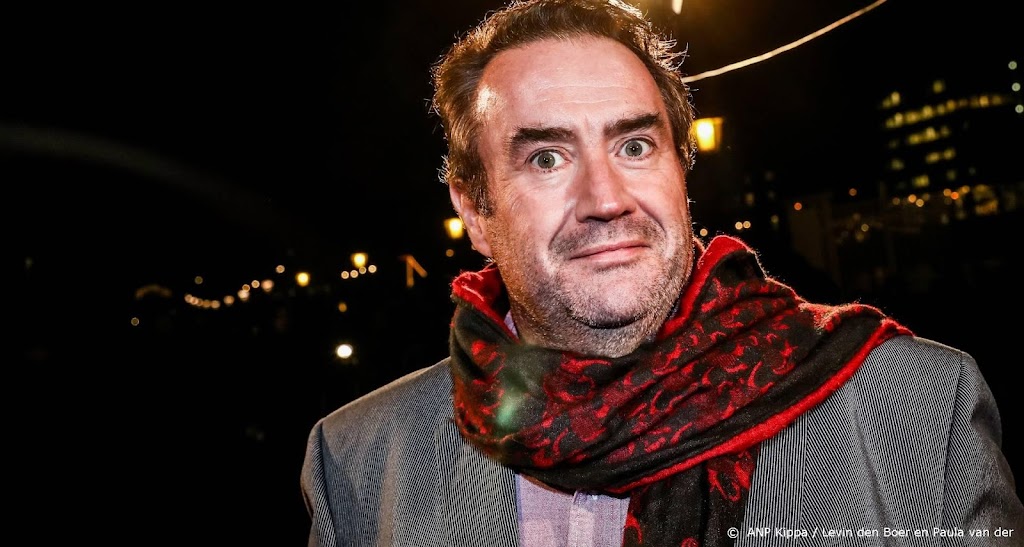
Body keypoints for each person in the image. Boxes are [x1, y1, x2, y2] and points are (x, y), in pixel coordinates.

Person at [301, 0, 1024, 545]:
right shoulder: (360, 462)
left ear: (682, 167)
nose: (606, 198)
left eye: (635, 146)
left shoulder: (922, 406)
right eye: (546, 158)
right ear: (476, 211)